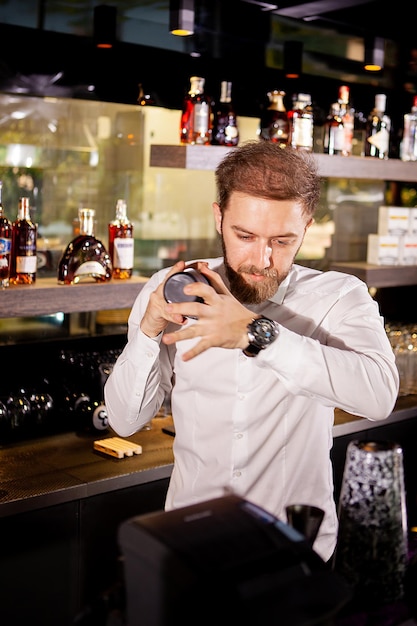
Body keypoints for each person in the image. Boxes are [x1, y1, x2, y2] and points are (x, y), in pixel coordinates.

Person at [104, 141, 399, 562]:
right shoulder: (174, 291)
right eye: (245, 236)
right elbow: (125, 420)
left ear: (307, 226)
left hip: (295, 551)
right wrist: (149, 332)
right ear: (219, 217)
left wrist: (255, 333)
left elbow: (379, 396)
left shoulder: (339, 297)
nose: (262, 259)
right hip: (192, 548)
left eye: (282, 240)